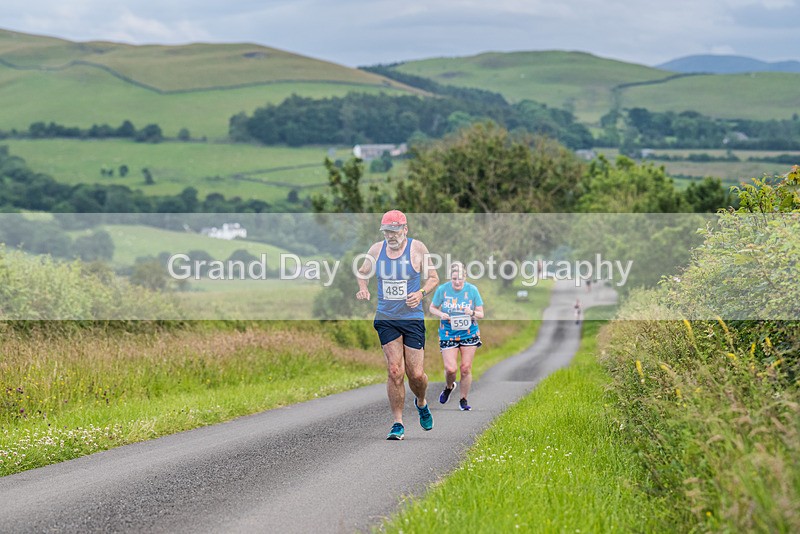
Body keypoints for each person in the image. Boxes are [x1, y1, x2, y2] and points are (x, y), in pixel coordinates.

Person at [356, 210, 439, 440]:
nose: (390, 236)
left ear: (405, 229)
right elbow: (362, 273)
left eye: (394, 231)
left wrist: (421, 293)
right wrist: (363, 288)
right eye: (386, 232)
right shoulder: (376, 250)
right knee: (395, 371)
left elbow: (433, 277)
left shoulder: (417, 248)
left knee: (416, 374)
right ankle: (398, 423)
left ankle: (421, 402)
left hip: (412, 318)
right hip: (386, 318)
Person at [429, 261, 484, 412]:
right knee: (450, 369)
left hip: (469, 333)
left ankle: (463, 400)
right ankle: (449, 387)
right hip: (448, 333)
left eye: (460, 278)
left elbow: (481, 314)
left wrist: (472, 313)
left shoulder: (472, 290)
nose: (457, 282)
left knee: (465, 368)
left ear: (465, 277)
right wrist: (441, 314)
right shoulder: (442, 290)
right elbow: (432, 308)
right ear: (450, 278)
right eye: (454, 279)